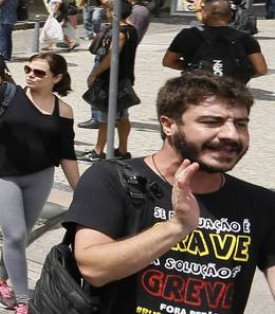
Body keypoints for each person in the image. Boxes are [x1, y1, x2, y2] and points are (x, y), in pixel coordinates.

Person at [65, 73, 275, 314]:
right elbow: (94, 269)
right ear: (168, 125)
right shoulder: (111, 179)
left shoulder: (261, 203)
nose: (231, 135)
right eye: (211, 121)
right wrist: (175, 227)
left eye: (240, 123)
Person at [0, 53, 80, 313]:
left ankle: (0, 279)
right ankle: (23, 300)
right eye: (28, 69)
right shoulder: (7, 93)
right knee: (15, 234)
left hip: (40, 176)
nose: (31, 75)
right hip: (3, 174)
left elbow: (67, 153)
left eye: (39, 72)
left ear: (57, 78)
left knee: (21, 237)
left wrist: (81, 191)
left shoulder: (63, 110)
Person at [82, 5, 140, 161]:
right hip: (125, 79)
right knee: (122, 116)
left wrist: (95, 73)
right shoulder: (131, 30)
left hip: (113, 80)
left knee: (106, 117)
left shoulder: (119, 33)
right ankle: (122, 150)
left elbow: (111, 56)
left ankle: (98, 151)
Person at [164, 0, 266, 86]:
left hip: (196, 90)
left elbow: (168, 62)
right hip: (232, 92)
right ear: (231, 15)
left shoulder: (187, 34)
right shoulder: (245, 38)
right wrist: (239, 73)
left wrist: (191, 67)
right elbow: (261, 69)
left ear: (205, 14)